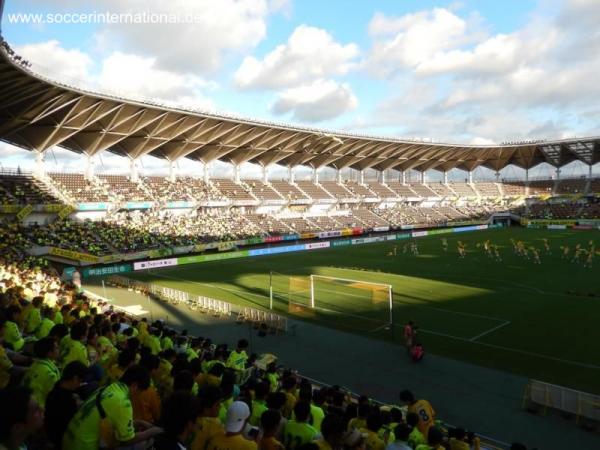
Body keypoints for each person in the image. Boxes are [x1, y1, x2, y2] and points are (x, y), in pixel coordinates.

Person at [62, 364, 163, 450]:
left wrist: (139, 422)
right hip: (84, 446)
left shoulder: (108, 388)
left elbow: (113, 420)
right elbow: (127, 440)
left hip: (68, 441)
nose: (139, 395)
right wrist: (152, 432)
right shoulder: (123, 401)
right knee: (145, 444)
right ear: (135, 386)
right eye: (140, 391)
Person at [44, 361, 88, 448]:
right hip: (62, 439)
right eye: (81, 380)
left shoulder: (57, 387)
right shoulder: (65, 400)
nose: (80, 383)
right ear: (75, 378)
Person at [22, 337, 61, 408]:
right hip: (38, 409)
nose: (59, 349)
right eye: (56, 348)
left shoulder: (34, 365)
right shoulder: (50, 374)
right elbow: (55, 398)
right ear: (49, 353)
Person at [190, 385, 225, 450]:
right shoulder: (214, 425)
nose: (220, 407)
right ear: (206, 408)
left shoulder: (188, 416)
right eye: (217, 404)